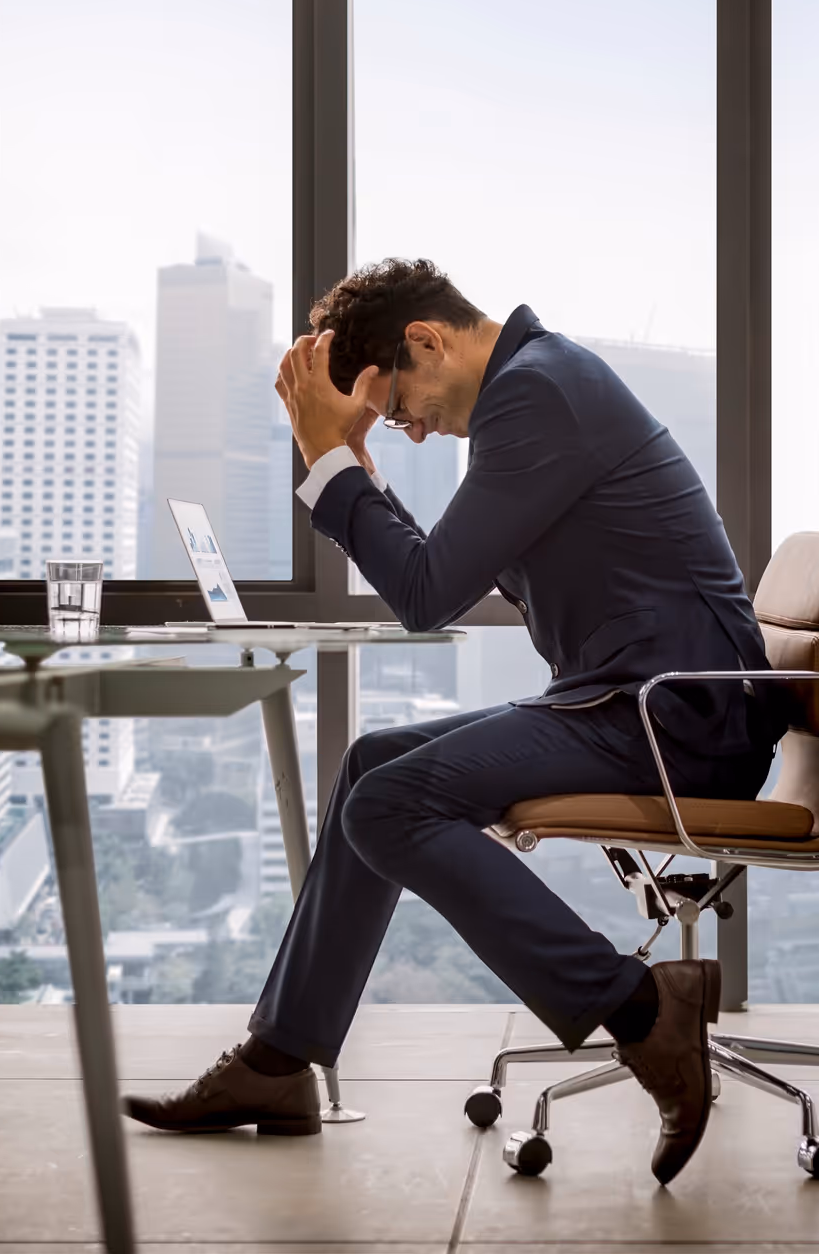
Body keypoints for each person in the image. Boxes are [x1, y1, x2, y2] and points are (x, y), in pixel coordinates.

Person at [122, 258, 783, 1184]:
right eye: (397, 424)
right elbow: (440, 570)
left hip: (672, 722)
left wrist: (329, 464)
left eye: (399, 408)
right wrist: (348, 470)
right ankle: (278, 1063)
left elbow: (427, 592)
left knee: (391, 806)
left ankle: (639, 1006)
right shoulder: (541, 388)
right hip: (634, 699)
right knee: (370, 768)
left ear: (425, 341)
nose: (415, 432)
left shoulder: (539, 394)